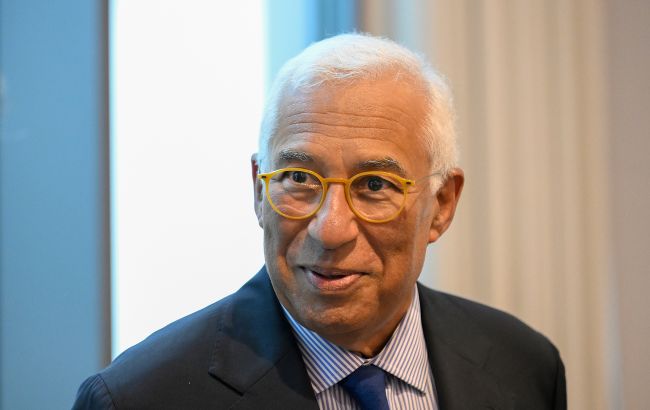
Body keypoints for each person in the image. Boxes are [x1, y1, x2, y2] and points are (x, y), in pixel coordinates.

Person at [73, 33, 566, 409]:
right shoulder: (137, 398)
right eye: (298, 178)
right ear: (258, 191)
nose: (330, 230)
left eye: (374, 185)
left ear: (441, 205)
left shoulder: (524, 367)